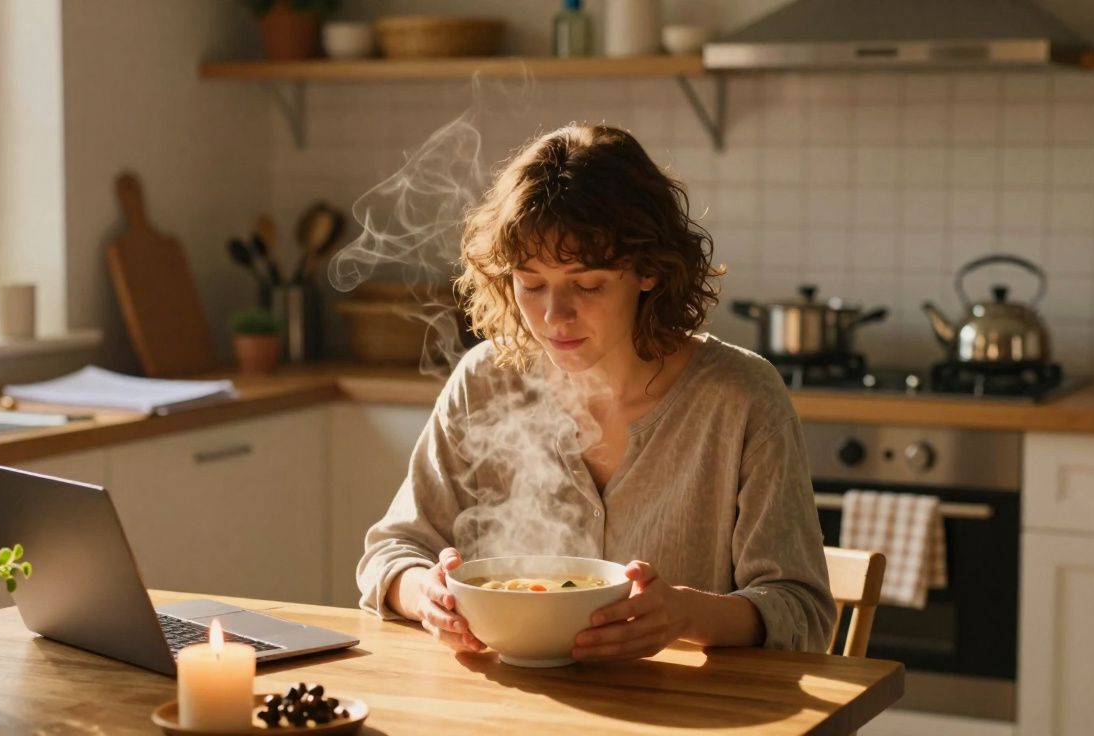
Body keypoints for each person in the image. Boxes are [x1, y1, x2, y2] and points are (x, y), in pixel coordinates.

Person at [356, 123, 834, 660]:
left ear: (650, 269)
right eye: (531, 283)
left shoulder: (740, 397)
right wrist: (429, 596)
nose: (553, 316)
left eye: (587, 285)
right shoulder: (485, 381)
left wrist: (687, 615)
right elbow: (391, 553)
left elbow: (803, 612)